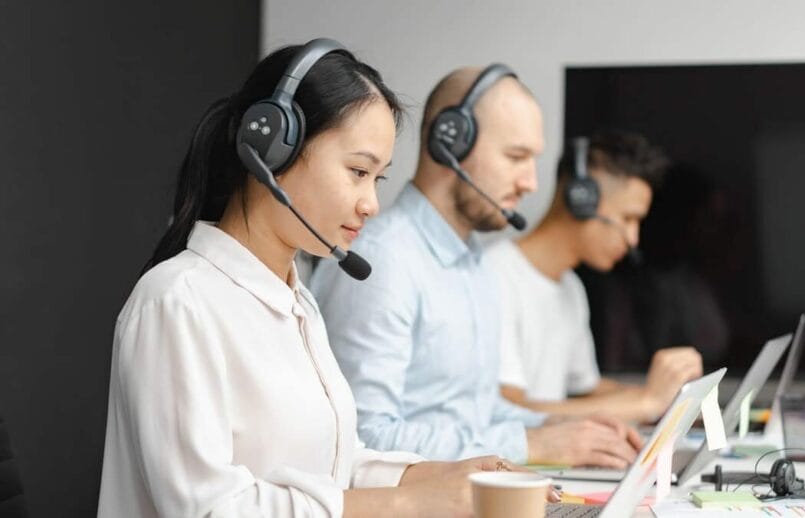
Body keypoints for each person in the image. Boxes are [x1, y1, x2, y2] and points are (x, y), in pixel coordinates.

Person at [97, 40, 546, 518]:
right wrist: (406, 502)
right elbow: (209, 509)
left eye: (378, 179)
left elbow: (336, 463)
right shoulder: (178, 301)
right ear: (271, 147)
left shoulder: (298, 303)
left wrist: (441, 475)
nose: (371, 203)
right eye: (357, 171)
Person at [310, 66, 642, 470]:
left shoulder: (476, 264)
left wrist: (561, 426)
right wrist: (531, 444)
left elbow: (476, 411)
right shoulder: (384, 262)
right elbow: (364, 436)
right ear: (451, 140)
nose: (531, 183)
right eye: (516, 157)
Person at [485, 131, 704, 423]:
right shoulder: (494, 275)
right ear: (581, 199)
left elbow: (586, 391)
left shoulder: (571, 288)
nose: (633, 239)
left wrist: (669, 399)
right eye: (628, 218)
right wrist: (644, 404)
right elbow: (510, 411)